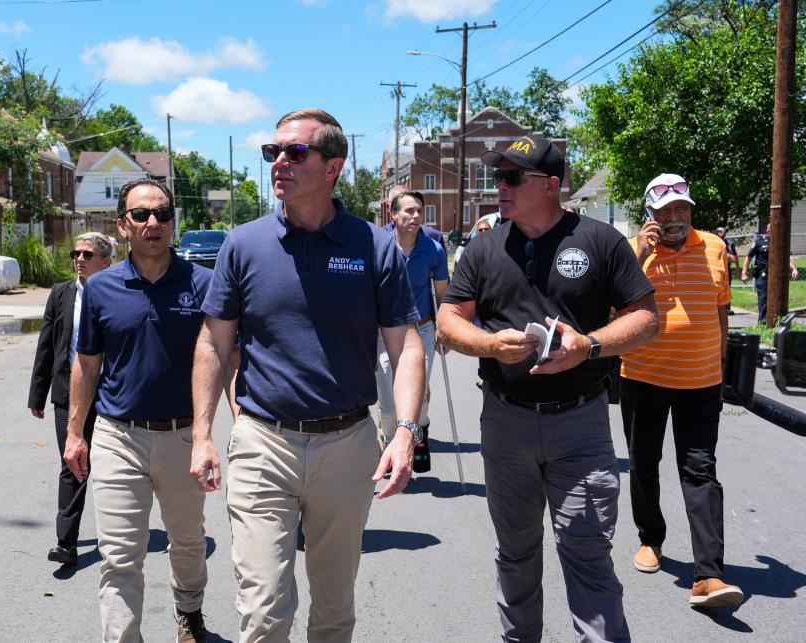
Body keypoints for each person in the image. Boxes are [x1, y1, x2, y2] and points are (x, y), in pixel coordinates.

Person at [189, 108, 426, 642]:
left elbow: (407, 345)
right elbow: (213, 341)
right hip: (262, 442)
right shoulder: (243, 244)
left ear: (332, 167)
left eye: (295, 153)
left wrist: (405, 431)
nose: (279, 163)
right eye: (273, 153)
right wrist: (203, 434)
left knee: (334, 607)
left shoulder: (374, 246)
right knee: (263, 609)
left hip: (347, 444)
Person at [437, 134, 658, 642]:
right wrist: (490, 345)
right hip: (505, 421)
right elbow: (449, 318)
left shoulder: (600, 241)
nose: (500, 188)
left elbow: (646, 319)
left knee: (587, 551)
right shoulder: (485, 246)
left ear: (552, 184)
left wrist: (590, 346)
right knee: (514, 550)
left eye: (512, 178)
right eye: (498, 177)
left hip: (579, 423)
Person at [63, 178, 213, 643]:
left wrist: (232, 427)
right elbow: (86, 366)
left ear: (173, 222)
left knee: (187, 542)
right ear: (122, 225)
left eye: (163, 214)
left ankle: (189, 613)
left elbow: (224, 360)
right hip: (118, 436)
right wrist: (74, 433)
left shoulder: (202, 283)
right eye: (142, 215)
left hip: (183, 436)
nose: (154, 223)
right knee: (119, 554)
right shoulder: (100, 288)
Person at [621, 173, 743, 609]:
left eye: (682, 209)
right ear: (649, 214)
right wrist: (638, 254)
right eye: (665, 211)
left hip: (700, 382)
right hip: (642, 377)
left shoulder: (713, 248)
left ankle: (708, 574)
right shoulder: (633, 254)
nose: (674, 218)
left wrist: (722, 366)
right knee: (643, 463)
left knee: (699, 471)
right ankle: (650, 539)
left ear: (691, 211)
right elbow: (610, 309)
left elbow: (722, 311)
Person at [28, 232, 112, 566]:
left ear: (106, 261)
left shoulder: (118, 291)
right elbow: (46, 344)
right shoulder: (61, 294)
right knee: (72, 461)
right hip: (68, 393)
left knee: (109, 466)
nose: (79, 258)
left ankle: (121, 532)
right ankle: (66, 542)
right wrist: (38, 392)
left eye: (87, 254)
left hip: (110, 395)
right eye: (76, 253)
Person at [376, 189, 449, 473]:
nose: (416, 216)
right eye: (408, 211)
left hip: (423, 329)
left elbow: (443, 295)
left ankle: (418, 434)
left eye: (419, 210)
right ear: (393, 215)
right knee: (389, 403)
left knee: (420, 396)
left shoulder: (433, 250)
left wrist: (444, 329)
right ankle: (391, 442)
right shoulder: (380, 246)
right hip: (385, 333)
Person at [742, 223, 798, 323]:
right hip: (763, 275)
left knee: (778, 297)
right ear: (767, 231)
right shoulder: (759, 242)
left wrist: (794, 269)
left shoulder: (781, 242)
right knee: (763, 298)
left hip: (777, 276)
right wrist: (744, 273)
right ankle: (763, 322)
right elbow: (748, 257)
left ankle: (778, 321)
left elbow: (788, 257)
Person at [715, 226, 737, 314]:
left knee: (726, 288)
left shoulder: (729, 244)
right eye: (719, 231)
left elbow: (734, 259)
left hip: (726, 269)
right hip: (715, 268)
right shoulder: (714, 242)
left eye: (723, 231)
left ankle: (726, 308)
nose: (721, 233)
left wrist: (724, 254)